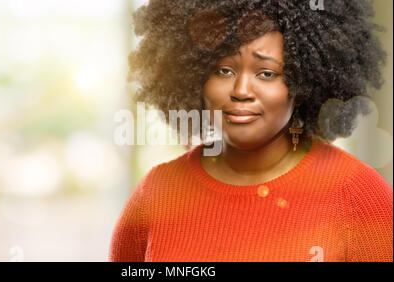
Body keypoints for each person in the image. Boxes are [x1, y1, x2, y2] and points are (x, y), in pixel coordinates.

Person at [109, 0, 393, 262]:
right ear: (194, 75)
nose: (241, 91)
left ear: (303, 82)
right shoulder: (157, 193)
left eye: (266, 73)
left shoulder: (358, 196)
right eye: (224, 70)